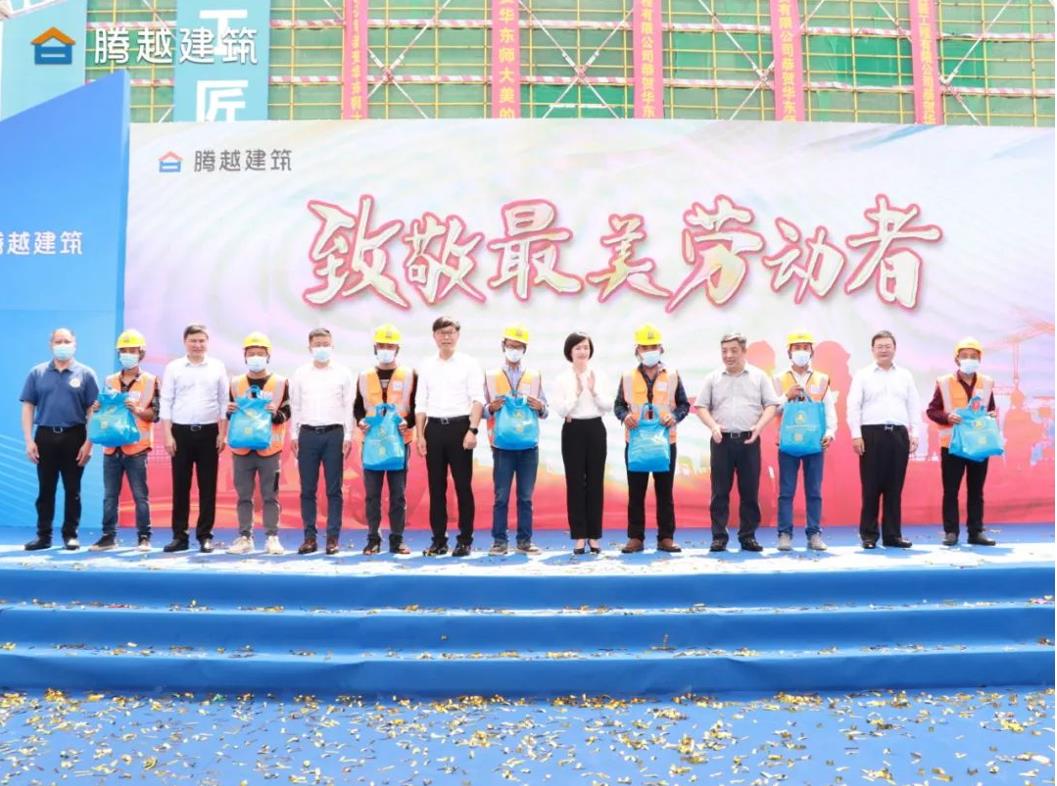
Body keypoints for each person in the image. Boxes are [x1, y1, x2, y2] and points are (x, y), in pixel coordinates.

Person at [695, 331, 780, 553]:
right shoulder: (713, 378)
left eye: (733, 350)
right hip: (721, 440)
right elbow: (701, 406)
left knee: (750, 492)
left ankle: (748, 536)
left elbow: (771, 405)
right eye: (724, 351)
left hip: (749, 440)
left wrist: (759, 427)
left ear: (744, 351)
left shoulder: (759, 376)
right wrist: (713, 426)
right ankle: (719, 537)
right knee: (719, 492)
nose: (728, 355)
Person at [20, 328, 99, 551]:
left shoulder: (86, 374)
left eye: (67, 341)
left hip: (75, 436)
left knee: (73, 490)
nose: (62, 345)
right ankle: (43, 536)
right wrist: (29, 440)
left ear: (75, 344)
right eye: (58, 341)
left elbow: (93, 411)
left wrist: (89, 443)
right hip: (44, 436)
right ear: (51, 345)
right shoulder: (37, 373)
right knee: (46, 489)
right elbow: (28, 407)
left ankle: (70, 535)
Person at [613, 323, 689, 554]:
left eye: (653, 346)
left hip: (665, 442)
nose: (649, 351)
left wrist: (674, 417)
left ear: (661, 349)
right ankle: (635, 538)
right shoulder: (627, 376)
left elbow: (684, 405)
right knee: (635, 492)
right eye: (645, 347)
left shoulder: (673, 375)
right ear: (637, 350)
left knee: (665, 492)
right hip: (636, 443)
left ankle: (666, 538)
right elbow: (618, 406)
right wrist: (625, 416)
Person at [414, 316, 485, 557]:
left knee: (463, 486)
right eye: (442, 333)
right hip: (433, 429)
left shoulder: (469, 364)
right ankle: (438, 540)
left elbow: (478, 399)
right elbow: (420, 403)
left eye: (451, 332)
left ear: (457, 335)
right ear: (434, 336)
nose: (446, 337)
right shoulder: (426, 365)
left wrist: (472, 430)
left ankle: (464, 540)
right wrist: (420, 435)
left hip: (460, 428)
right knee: (436, 488)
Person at [847, 330, 920, 550]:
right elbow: (853, 406)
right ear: (872, 350)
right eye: (879, 347)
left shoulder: (905, 375)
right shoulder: (863, 375)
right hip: (871, 434)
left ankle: (893, 535)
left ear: (894, 349)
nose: (884, 350)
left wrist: (915, 432)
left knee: (894, 488)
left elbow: (913, 405)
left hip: (898, 434)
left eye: (888, 346)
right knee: (871, 487)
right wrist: (856, 434)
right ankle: (869, 535)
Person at [160, 324, 228, 553]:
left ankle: (205, 535)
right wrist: (167, 435)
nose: (197, 345)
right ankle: (179, 536)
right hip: (180, 433)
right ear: (185, 342)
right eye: (193, 341)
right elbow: (166, 401)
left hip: (209, 432)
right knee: (181, 486)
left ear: (207, 342)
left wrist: (222, 433)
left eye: (201, 341)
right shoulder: (174, 368)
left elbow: (223, 402)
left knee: (208, 487)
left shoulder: (217, 367)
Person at [925, 337, 997, 547]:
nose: (969, 359)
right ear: (957, 359)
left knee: (976, 491)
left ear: (979, 359)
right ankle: (951, 532)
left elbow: (990, 409)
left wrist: (991, 416)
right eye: (965, 356)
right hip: (953, 444)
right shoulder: (944, 382)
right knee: (951, 491)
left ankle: (976, 532)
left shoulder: (987, 383)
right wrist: (947, 417)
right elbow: (932, 410)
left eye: (973, 356)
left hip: (979, 444)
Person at [90, 329, 158, 552]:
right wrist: (97, 408)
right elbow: (103, 411)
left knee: (140, 496)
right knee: (110, 496)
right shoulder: (109, 380)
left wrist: (137, 409)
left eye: (132, 350)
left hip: (137, 448)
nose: (127, 354)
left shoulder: (150, 381)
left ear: (141, 353)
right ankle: (108, 537)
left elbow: (155, 414)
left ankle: (144, 537)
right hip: (112, 447)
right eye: (123, 351)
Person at [484, 324, 547, 555]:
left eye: (519, 346)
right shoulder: (491, 376)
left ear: (524, 349)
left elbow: (545, 410)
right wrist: (491, 407)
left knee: (526, 497)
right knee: (501, 496)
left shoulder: (534, 375)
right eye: (511, 345)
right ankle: (499, 541)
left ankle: (524, 541)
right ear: (503, 346)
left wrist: (540, 406)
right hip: (502, 445)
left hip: (529, 445)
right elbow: (481, 409)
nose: (514, 350)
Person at [290, 327, 354, 555]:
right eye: (317, 344)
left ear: (332, 346)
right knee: (308, 489)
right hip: (307, 434)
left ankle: (333, 538)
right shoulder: (300, 373)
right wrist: (294, 435)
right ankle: (309, 538)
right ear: (310, 347)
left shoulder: (343, 373)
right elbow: (295, 405)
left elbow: (348, 406)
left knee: (334, 489)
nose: (322, 348)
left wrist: (348, 435)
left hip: (334, 434)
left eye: (325, 344)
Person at [354, 323, 416, 555]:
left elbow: (417, 406)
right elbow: (358, 407)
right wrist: (360, 420)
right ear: (375, 348)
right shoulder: (364, 376)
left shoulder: (409, 374)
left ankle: (397, 539)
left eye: (390, 346)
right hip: (372, 442)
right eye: (382, 346)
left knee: (398, 495)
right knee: (372, 495)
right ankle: (373, 539)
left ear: (397, 349)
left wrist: (408, 423)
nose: (386, 350)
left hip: (399, 442)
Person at [226, 332, 290, 556]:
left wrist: (276, 414)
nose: (255, 357)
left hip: (269, 449)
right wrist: (229, 411)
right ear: (245, 356)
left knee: (270, 495)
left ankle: (272, 537)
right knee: (244, 495)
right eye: (251, 353)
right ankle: (245, 537)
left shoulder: (280, 382)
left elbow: (287, 412)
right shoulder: (236, 383)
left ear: (268, 356)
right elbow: (230, 412)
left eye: (260, 353)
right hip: (242, 448)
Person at [773, 331, 836, 552]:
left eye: (805, 347)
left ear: (812, 351)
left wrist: (830, 432)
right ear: (789, 352)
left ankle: (814, 534)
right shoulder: (779, 379)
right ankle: (784, 534)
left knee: (814, 491)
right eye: (796, 347)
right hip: (787, 444)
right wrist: (786, 396)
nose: (801, 351)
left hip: (815, 443)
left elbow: (829, 409)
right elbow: (772, 409)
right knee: (786, 492)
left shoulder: (822, 379)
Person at [554, 331, 610, 555]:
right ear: (570, 351)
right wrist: (576, 394)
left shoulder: (599, 375)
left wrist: (594, 391)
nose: (582, 351)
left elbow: (608, 406)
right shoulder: (562, 379)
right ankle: (579, 536)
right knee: (575, 483)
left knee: (595, 482)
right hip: (573, 430)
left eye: (586, 347)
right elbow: (561, 410)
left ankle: (594, 535)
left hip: (595, 428)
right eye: (578, 348)